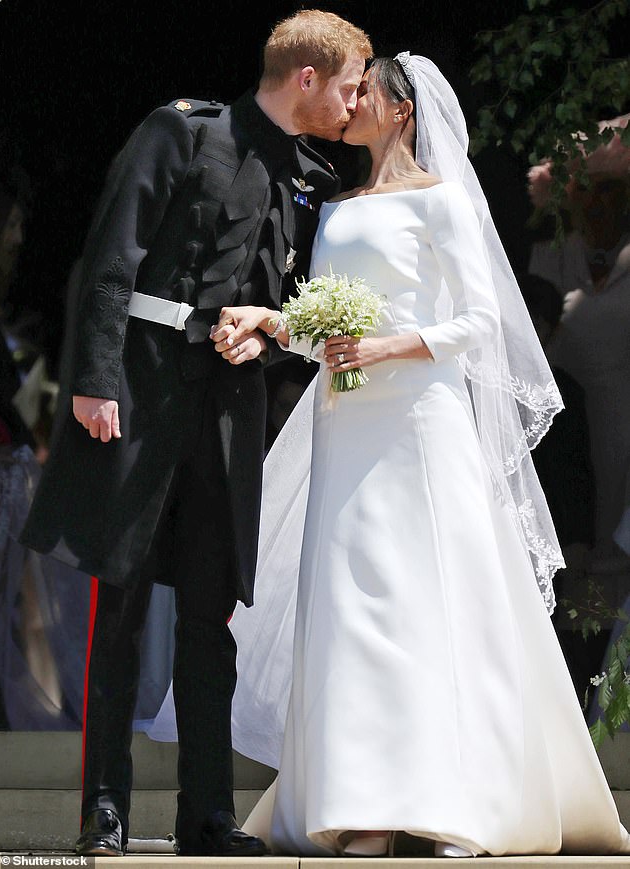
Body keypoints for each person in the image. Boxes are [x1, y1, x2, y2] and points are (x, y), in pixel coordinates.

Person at [150, 54, 630, 857]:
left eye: (366, 90)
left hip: (419, 422)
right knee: (353, 604)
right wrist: (273, 322)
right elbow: (323, 330)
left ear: (402, 111)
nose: (352, 101)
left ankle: (454, 799)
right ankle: (361, 800)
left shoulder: (441, 202)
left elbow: (478, 323)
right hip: (346, 421)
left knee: (429, 600)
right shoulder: (336, 206)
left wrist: (385, 346)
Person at [19, 9, 372, 858]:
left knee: (213, 619)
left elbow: (283, 292)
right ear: (308, 79)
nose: (356, 102)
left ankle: (206, 815)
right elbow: (112, 254)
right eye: (352, 84)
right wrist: (95, 381)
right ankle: (103, 806)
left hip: (227, 414)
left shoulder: (307, 173)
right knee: (125, 606)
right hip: (141, 397)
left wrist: (263, 330)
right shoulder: (181, 132)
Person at [528, 117, 630, 575]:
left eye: (607, 190)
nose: (595, 202)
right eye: (585, 189)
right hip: (562, 415)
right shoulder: (548, 257)